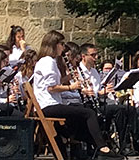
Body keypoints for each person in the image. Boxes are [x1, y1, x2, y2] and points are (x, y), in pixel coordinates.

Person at [31, 30, 121, 158]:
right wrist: (70, 86)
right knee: (88, 113)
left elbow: (49, 85)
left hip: (50, 104)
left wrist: (66, 78)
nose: (63, 47)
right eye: (61, 44)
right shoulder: (48, 61)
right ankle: (102, 148)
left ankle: (97, 148)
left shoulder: (46, 61)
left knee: (77, 121)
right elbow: (51, 88)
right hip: (48, 105)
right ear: (54, 44)